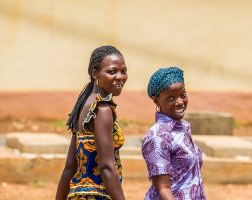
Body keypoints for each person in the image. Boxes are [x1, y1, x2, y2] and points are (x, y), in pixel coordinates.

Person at [56, 45, 127, 200]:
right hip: (97, 195)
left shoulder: (84, 105)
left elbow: (70, 167)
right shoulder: (102, 108)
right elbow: (107, 167)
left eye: (123, 71)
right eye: (112, 71)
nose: (120, 77)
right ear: (95, 73)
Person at [141, 67, 206, 200]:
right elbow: (163, 189)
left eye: (182, 95)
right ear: (156, 101)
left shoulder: (182, 128)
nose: (180, 102)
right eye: (171, 98)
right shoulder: (157, 137)